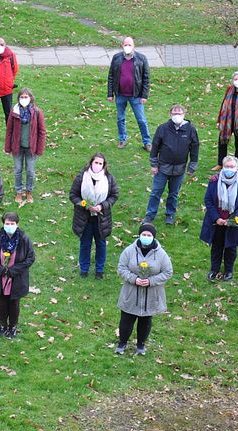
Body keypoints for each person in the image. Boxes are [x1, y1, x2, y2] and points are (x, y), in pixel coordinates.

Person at [115, 223, 173, 355]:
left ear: (153, 237)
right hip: (131, 293)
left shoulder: (161, 254)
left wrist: (151, 281)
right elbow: (121, 268)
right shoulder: (129, 251)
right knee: (126, 319)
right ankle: (122, 343)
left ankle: (141, 345)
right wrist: (134, 279)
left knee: (145, 320)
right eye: (144, 235)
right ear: (139, 235)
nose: (146, 237)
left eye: (149, 235)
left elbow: (167, 272)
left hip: (151, 294)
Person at [145, 104, 199, 225]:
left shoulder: (191, 130)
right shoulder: (162, 128)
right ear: (170, 115)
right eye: (174, 113)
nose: (177, 115)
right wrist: (154, 165)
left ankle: (170, 214)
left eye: (179, 113)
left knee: (173, 194)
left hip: (179, 169)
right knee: (156, 192)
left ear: (184, 114)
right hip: (162, 168)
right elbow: (155, 147)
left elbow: (195, 149)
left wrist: (192, 167)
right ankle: (149, 216)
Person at [200, 156, 238, 281]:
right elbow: (208, 200)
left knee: (231, 247)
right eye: (227, 166)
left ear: (237, 167)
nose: (229, 169)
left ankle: (228, 271)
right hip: (216, 221)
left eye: (232, 167)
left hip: (234, 222)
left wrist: (233, 219)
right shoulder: (214, 181)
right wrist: (216, 218)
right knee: (216, 246)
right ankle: (214, 269)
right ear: (223, 167)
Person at [0, 212, 35, 339]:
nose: (9, 226)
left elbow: (30, 258)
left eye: (12, 224)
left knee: (14, 303)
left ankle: (13, 327)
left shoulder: (24, 239)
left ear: (17, 224)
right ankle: (2, 326)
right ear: (3, 224)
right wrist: (0, 270)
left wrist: (14, 270)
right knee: (1, 303)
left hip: (16, 278)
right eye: (7, 224)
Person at [69, 152, 120, 279]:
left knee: (101, 244)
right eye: (96, 162)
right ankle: (84, 269)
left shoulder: (109, 178)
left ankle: (99, 270)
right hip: (84, 217)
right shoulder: (82, 177)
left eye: (100, 163)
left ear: (104, 165)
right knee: (85, 244)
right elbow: (73, 195)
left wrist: (102, 206)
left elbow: (114, 195)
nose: (97, 165)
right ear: (91, 162)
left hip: (101, 218)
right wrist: (85, 204)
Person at [107, 36, 152, 151]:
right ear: (122, 46)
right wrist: (110, 94)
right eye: (125, 45)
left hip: (135, 96)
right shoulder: (116, 58)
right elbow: (111, 76)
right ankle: (122, 139)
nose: (127, 47)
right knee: (120, 119)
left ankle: (147, 142)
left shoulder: (141, 59)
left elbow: (146, 78)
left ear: (134, 46)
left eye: (129, 45)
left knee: (141, 119)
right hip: (120, 95)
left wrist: (144, 95)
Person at [4, 88, 46, 204]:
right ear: (18, 99)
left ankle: (29, 191)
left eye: (26, 97)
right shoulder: (14, 112)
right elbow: (9, 130)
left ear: (31, 98)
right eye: (21, 97)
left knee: (30, 171)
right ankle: (19, 192)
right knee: (18, 170)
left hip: (31, 148)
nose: (24, 99)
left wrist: (40, 149)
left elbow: (42, 132)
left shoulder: (37, 112)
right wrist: (7, 147)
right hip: (17, 147)